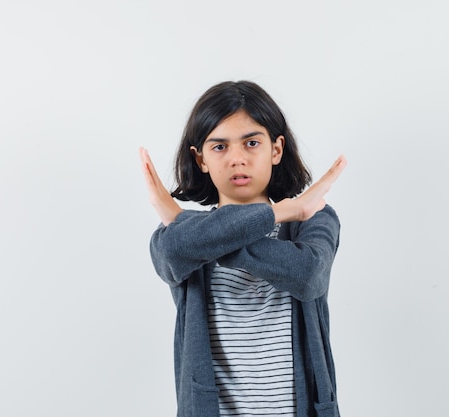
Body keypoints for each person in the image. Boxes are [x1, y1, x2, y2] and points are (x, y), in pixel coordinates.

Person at [139, 80, 347, 417]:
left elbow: (308, 275)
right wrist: (286, 208)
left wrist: (196, 233)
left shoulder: (312, 220)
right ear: (201, 158)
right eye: (219, 147)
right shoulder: (181, 237)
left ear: (276, 149)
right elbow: (173, 252)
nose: (237, 158)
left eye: (251, 143)